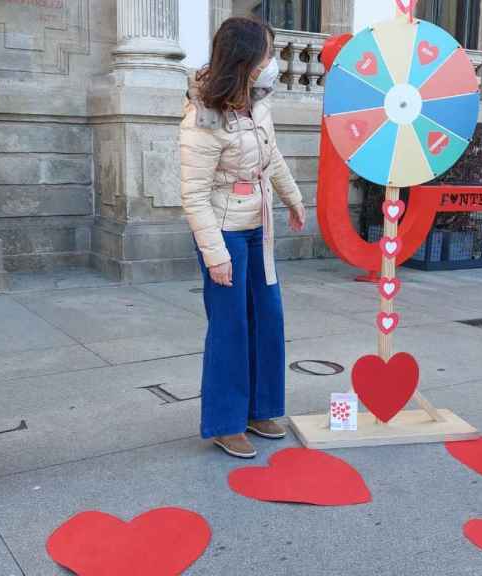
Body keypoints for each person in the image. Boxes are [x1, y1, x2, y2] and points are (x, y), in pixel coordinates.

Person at [179, 18, 306, 459]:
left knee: (268, 317)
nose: (272, 62)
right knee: (230, 326)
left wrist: (293, 199)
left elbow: (272, 158)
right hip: (224, 231)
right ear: (246, 60)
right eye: (267, 53)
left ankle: (260, 409)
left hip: (259, 226)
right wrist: (215, 255)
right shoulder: (203, 116)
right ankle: (225, 423)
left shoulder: (258, 102)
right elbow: (194, 194)